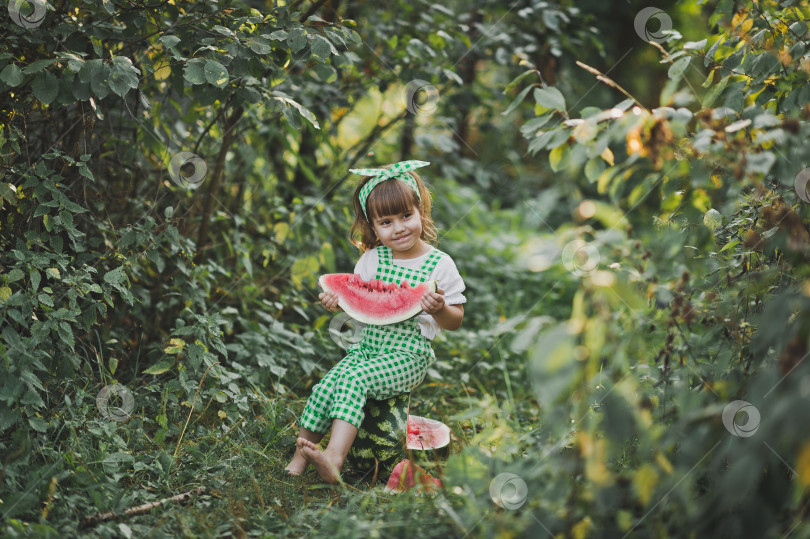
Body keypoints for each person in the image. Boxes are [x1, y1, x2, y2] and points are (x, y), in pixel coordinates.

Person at [284, 160, 467, 483]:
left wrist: (439, 308)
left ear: (420, 211)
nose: (398, 228)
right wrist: (335, 302)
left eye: (406, 216)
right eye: (386, 222)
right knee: (326, 387)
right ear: (373, 226)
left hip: (408, 355)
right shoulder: (371, 259)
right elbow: (360, 301)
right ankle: (298, 460)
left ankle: (334, 459)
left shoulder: (440, 264)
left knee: (354, 381)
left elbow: (455, 321)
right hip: (368, 348)